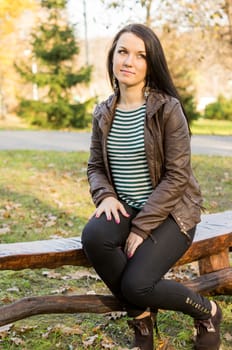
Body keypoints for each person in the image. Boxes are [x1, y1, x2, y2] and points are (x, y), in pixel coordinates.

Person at [81, 23, 222, 350]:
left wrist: (141, 228)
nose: (129, 61)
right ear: (113, 57)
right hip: (127, 205)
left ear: (151, 63)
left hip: (173, 213)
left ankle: (207, 311)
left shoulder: (167, 109)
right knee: (94, 237)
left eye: (140, 55)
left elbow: (177, 177)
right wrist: (104, 195)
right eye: (123, 51)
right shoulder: (103, 112)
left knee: (138, 283)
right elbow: (95, 166)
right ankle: (143, 320)